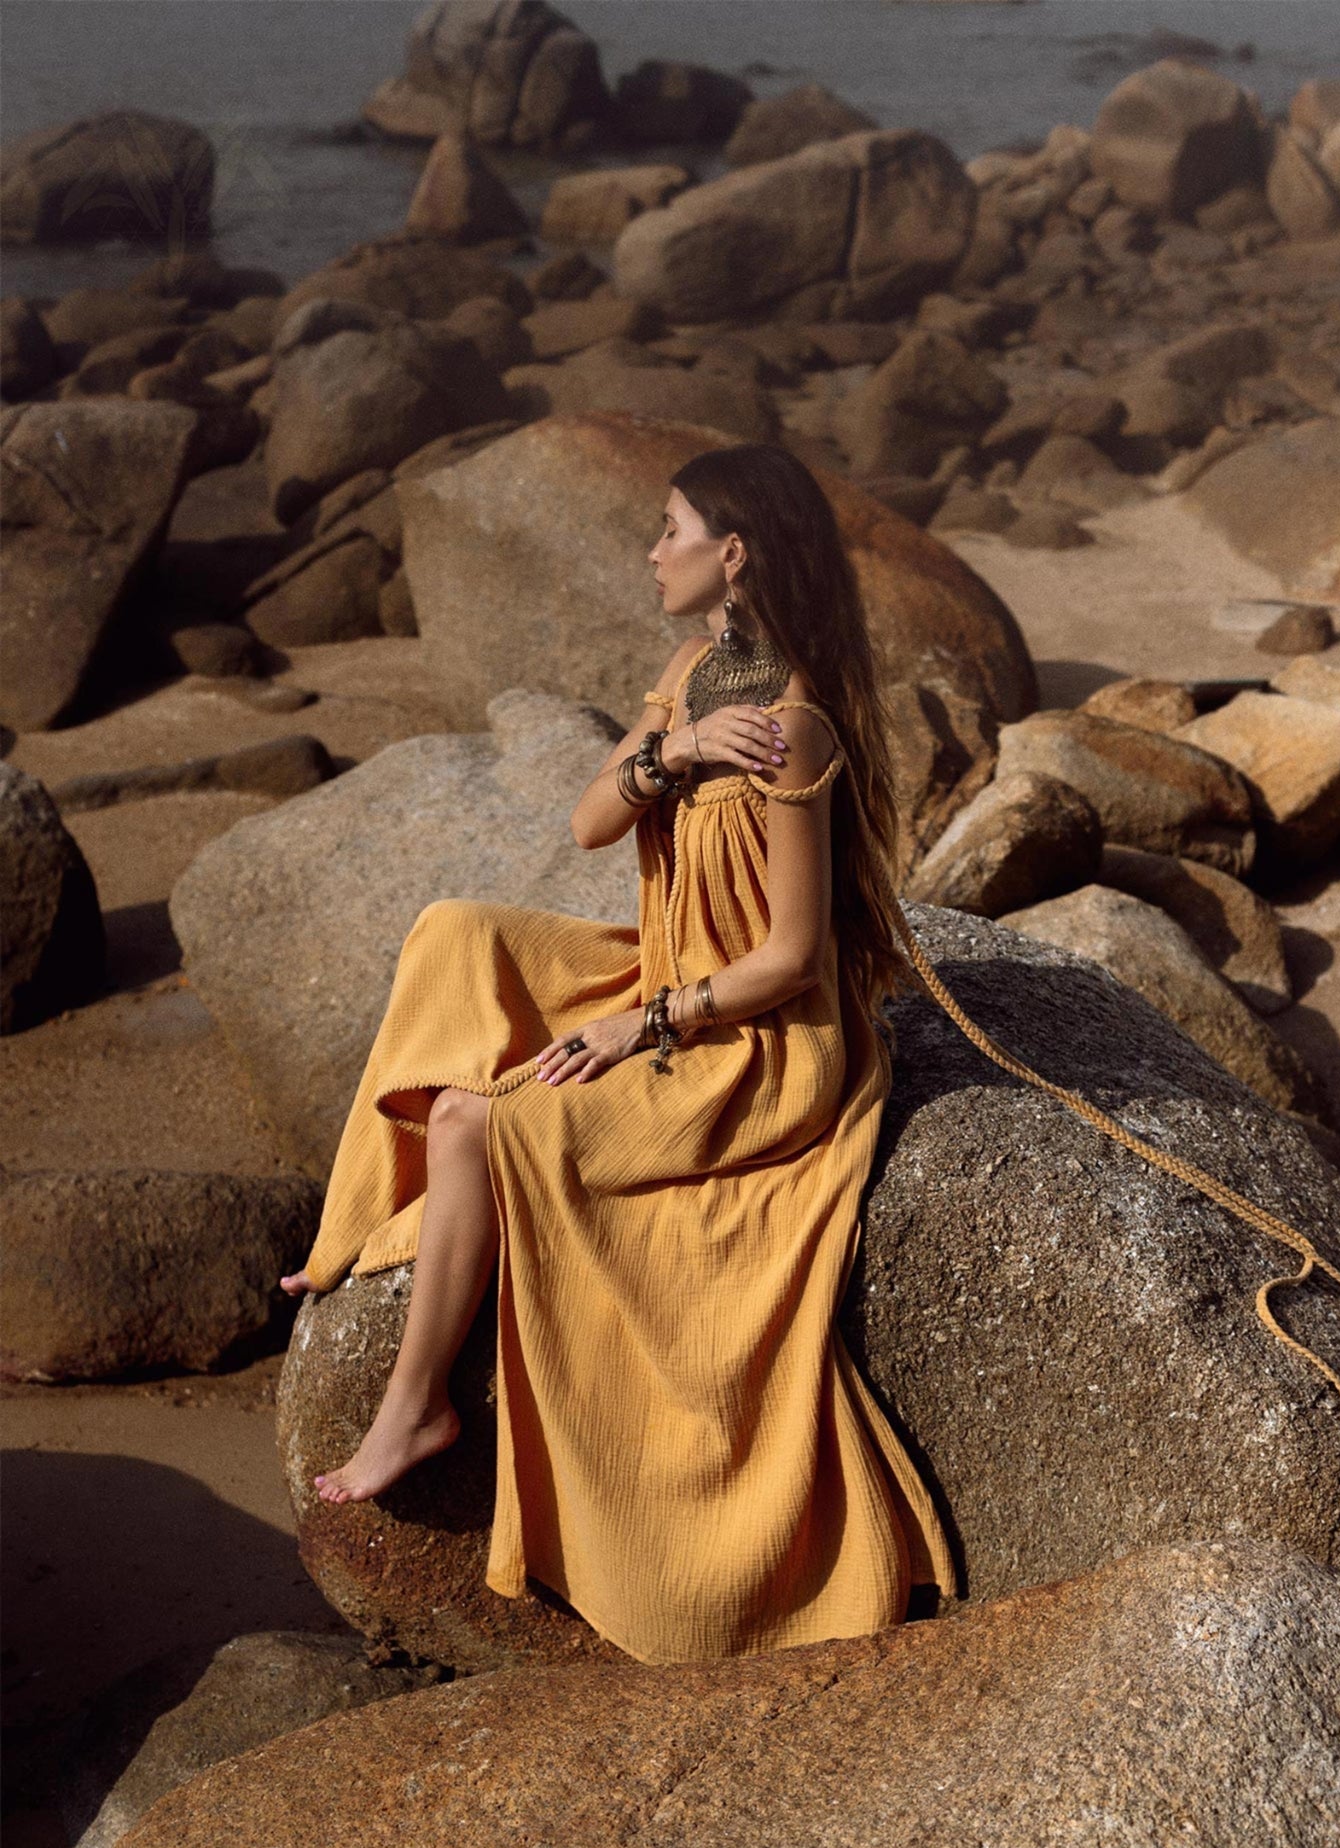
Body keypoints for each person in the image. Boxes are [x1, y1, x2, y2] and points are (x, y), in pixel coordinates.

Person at [278, 441, 959, 1666]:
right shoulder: (699, 674)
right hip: (662, 968)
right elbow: (592, 818)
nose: (652, 551)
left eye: (671, 529)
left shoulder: (796, 730)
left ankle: (417, 1405)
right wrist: (679, 751)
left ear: (732, 553)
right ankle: (374, 1221)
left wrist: (635, 1026)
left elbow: (795, 961)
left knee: (479, 1121)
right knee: (455, 930)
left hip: (748, 1044)